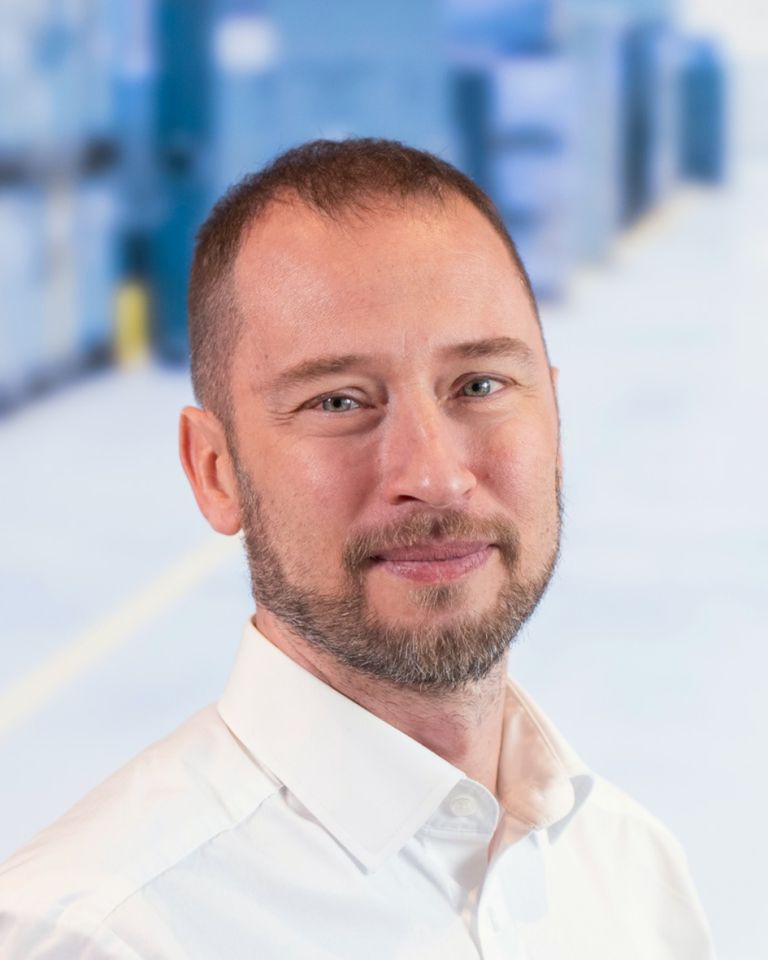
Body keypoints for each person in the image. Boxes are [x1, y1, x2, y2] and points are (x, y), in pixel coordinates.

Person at [0, 139, 716, 959]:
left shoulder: (631, 877)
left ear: (552, 416)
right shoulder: (102, 933)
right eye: (339, 400)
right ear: (214, 471)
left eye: (480, 385)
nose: (436, 476)